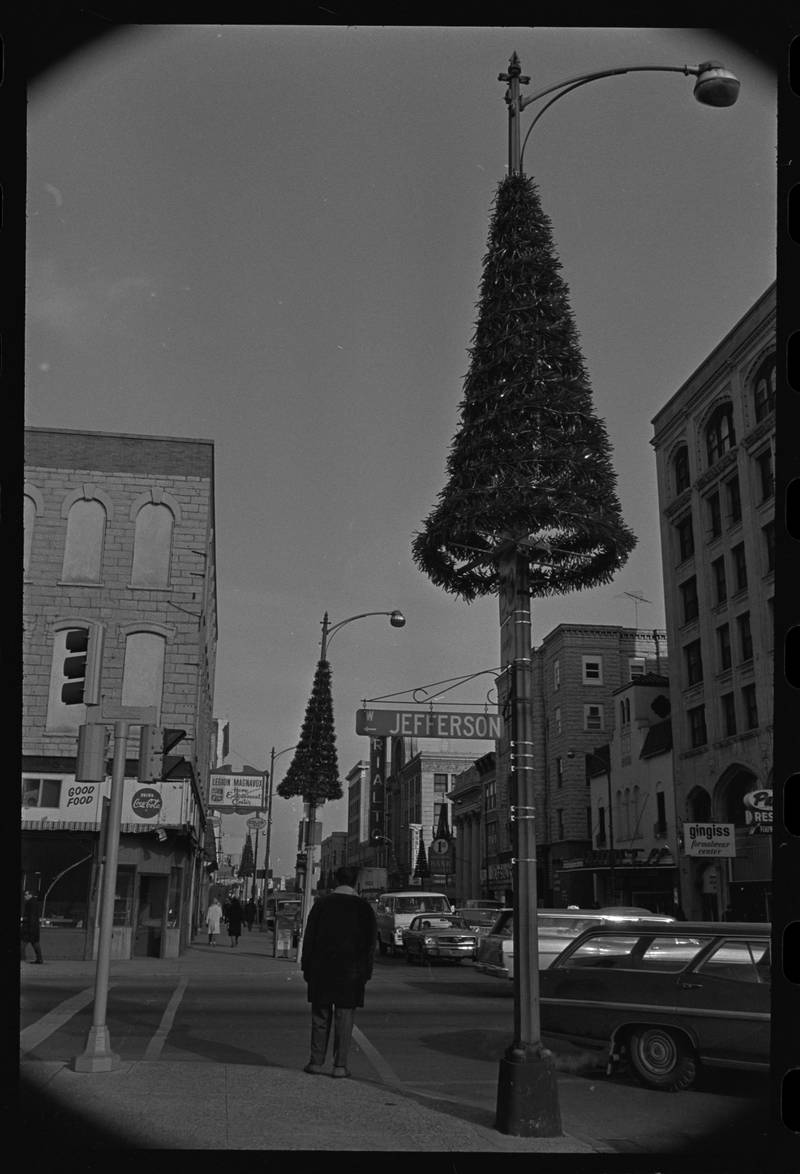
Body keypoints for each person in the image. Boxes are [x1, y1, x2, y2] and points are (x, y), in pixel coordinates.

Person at [300, 864, 377, 1079]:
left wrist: (306, 967)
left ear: (336, 880)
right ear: (355, 882)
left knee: (320, 1015)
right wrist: (366, 972)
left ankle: (316, 1062)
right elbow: (371, 945)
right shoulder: (364, 908)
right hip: (351, 971)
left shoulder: (321, 905)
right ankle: (340, 1066)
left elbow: (309, 939)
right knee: (345, 1018)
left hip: (322, 969)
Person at [21, 889, 44, 964]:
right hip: (33, 928)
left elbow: (31, 917)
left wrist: (24, 920)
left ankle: (22, 959)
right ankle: (39, 959)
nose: (25, 896)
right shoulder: (34, 902)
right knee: (35, 943)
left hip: (29, 928)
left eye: (26, 894)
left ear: (30, 895)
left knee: (22, 944)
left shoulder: (31, 903)